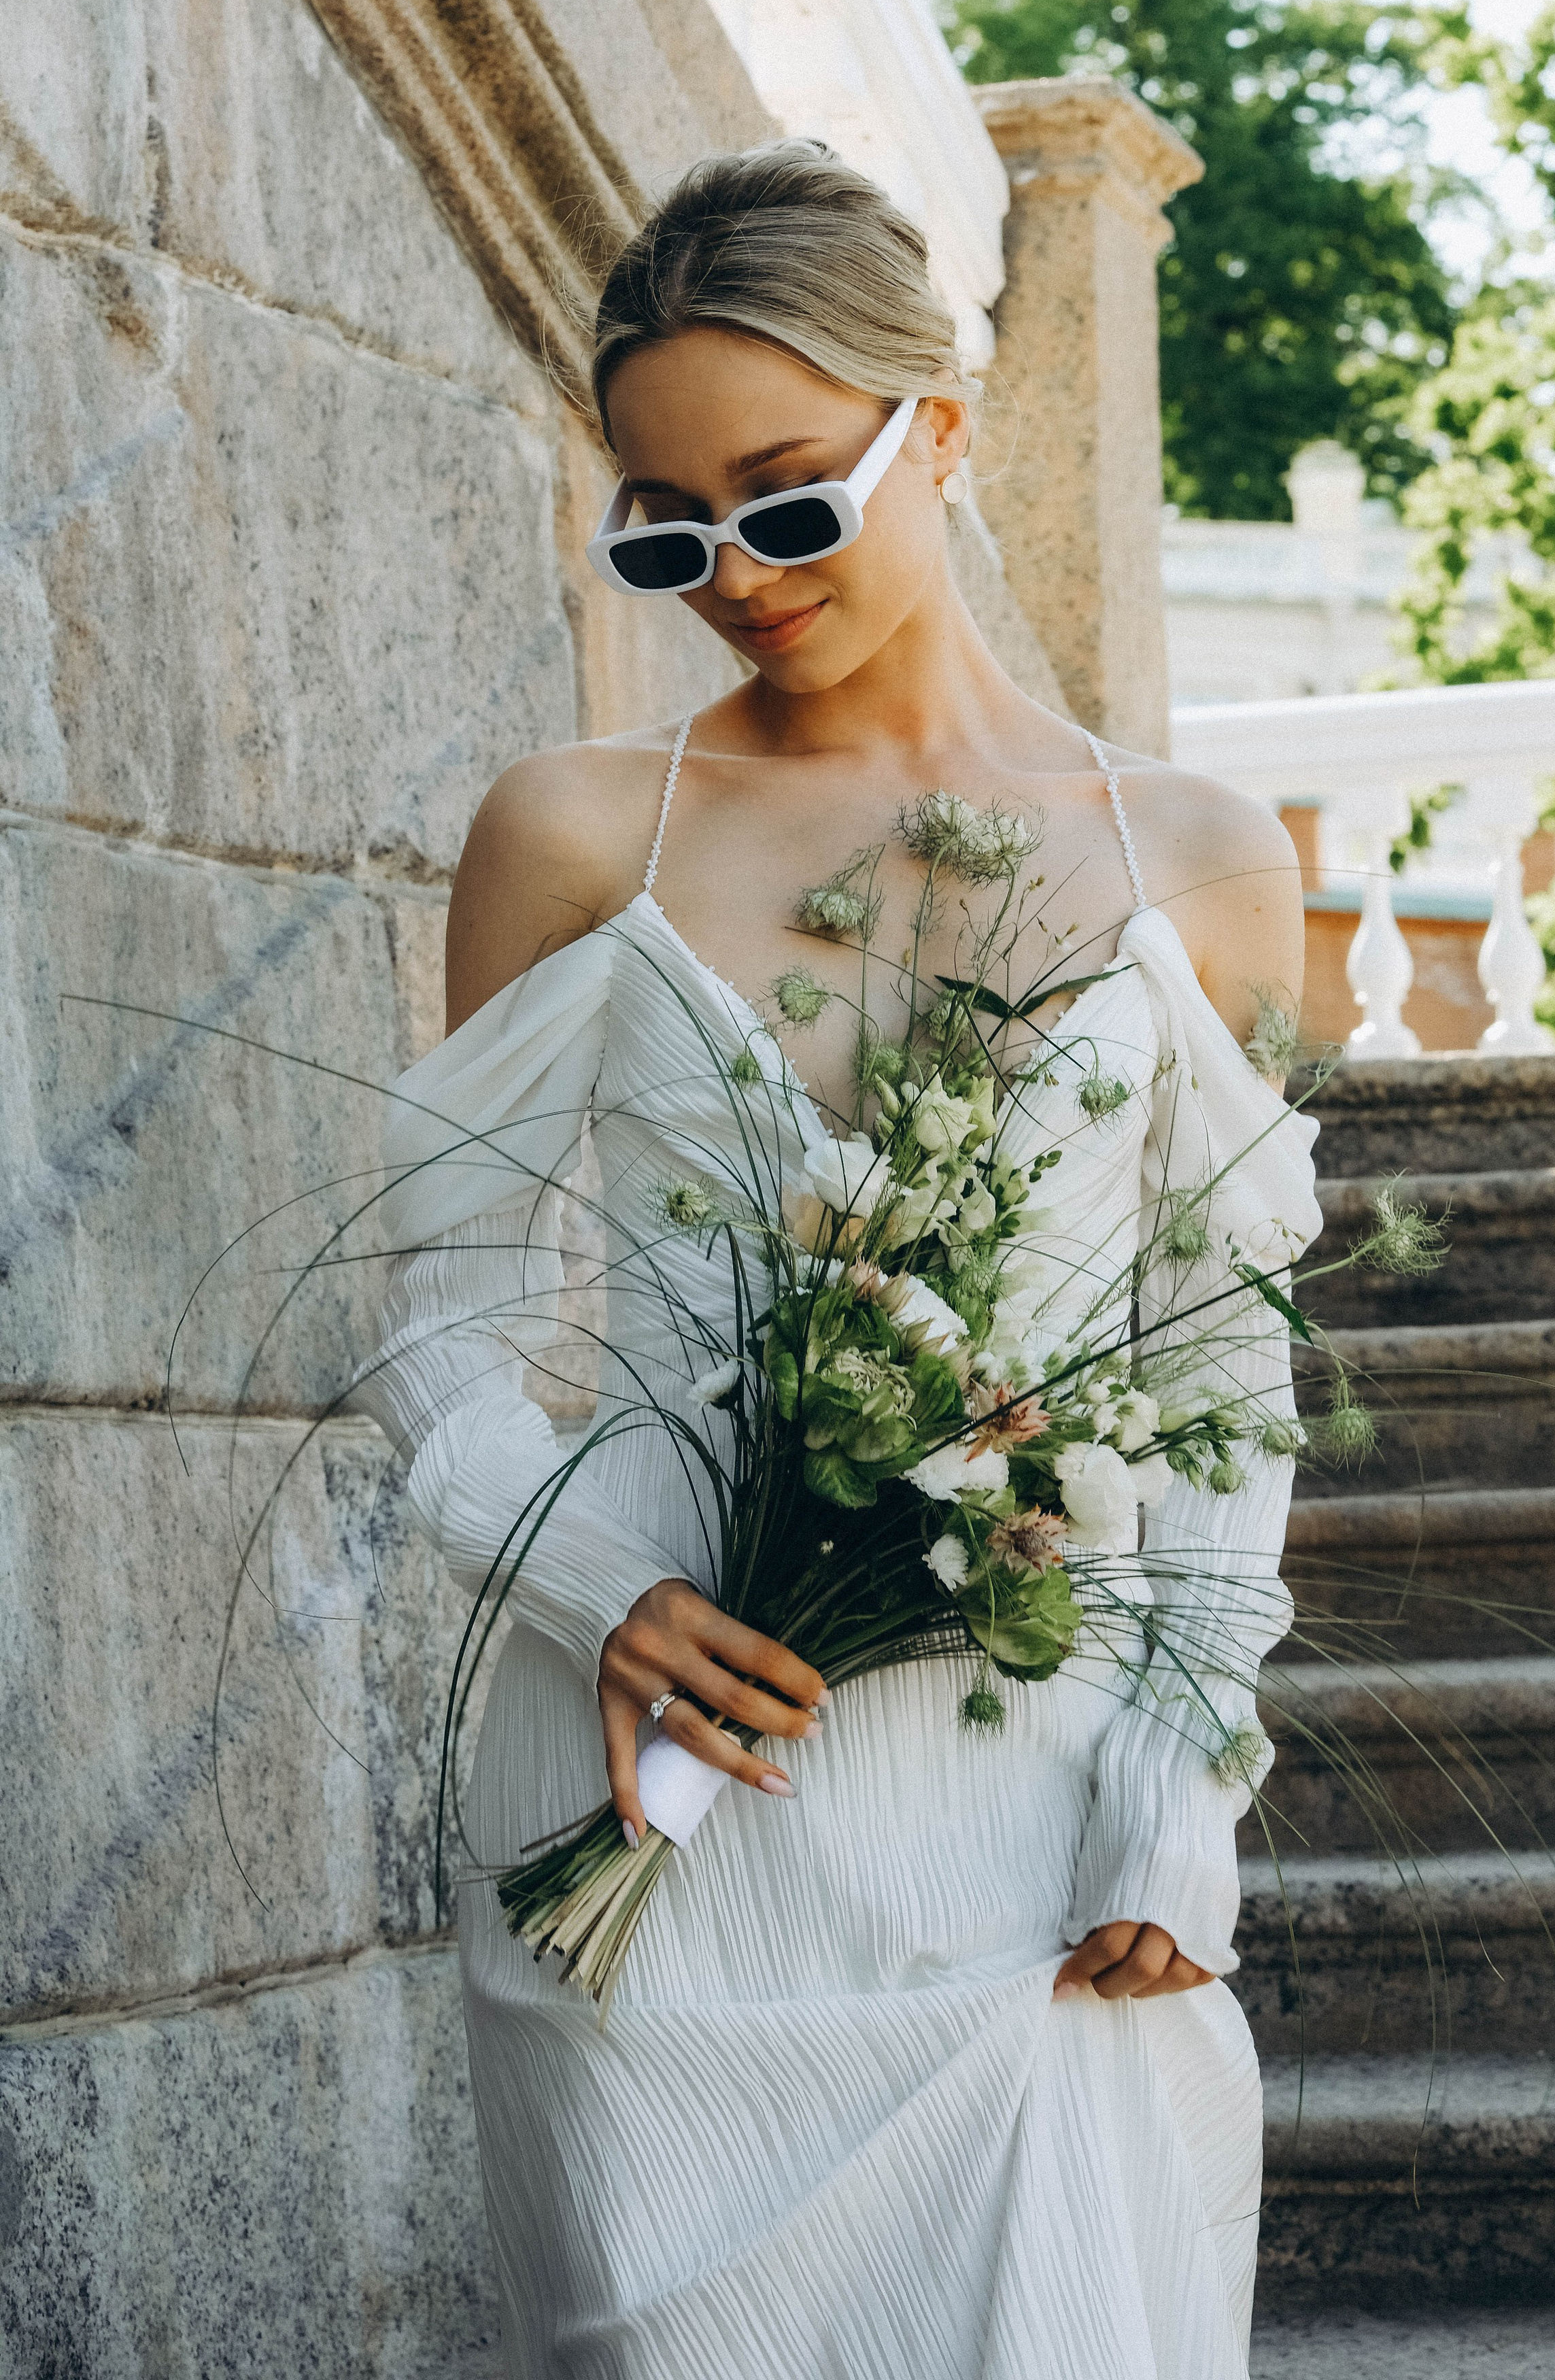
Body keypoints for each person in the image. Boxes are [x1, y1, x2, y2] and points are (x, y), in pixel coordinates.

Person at [356, 139, 1319, 2379]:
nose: (733, 575)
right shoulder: (580, 833)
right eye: (666, 526)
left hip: (1036, 1814)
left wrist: (1182, 1792)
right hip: (664, 1813)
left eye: (789, 500)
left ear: (944, 431)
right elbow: (440, 1324)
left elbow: (1227, 1373)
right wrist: (603, 1586)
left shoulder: (1202, 862)